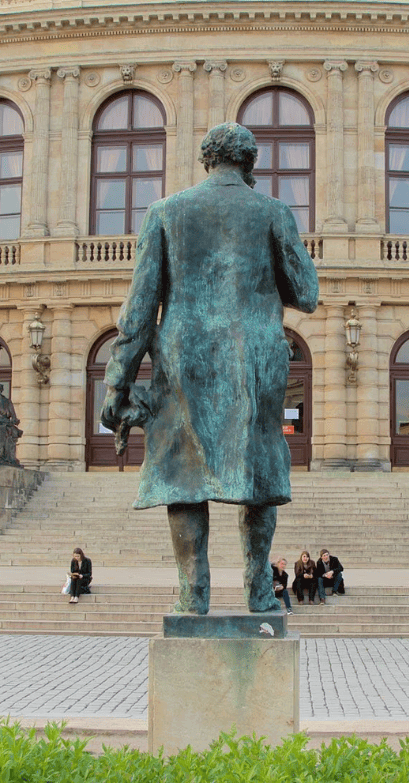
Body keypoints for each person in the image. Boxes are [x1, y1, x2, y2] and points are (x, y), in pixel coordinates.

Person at [101, 123, 319, 615]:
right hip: (255, 357)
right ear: (250, 164)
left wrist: (117, 383)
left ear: (206, 161)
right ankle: (259, 587)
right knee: (258, 466)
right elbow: (307, 293)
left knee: (184, 471)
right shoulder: (273, 212)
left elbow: (138, 311)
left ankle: (192, 591)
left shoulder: (165, 212)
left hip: (183, 359)